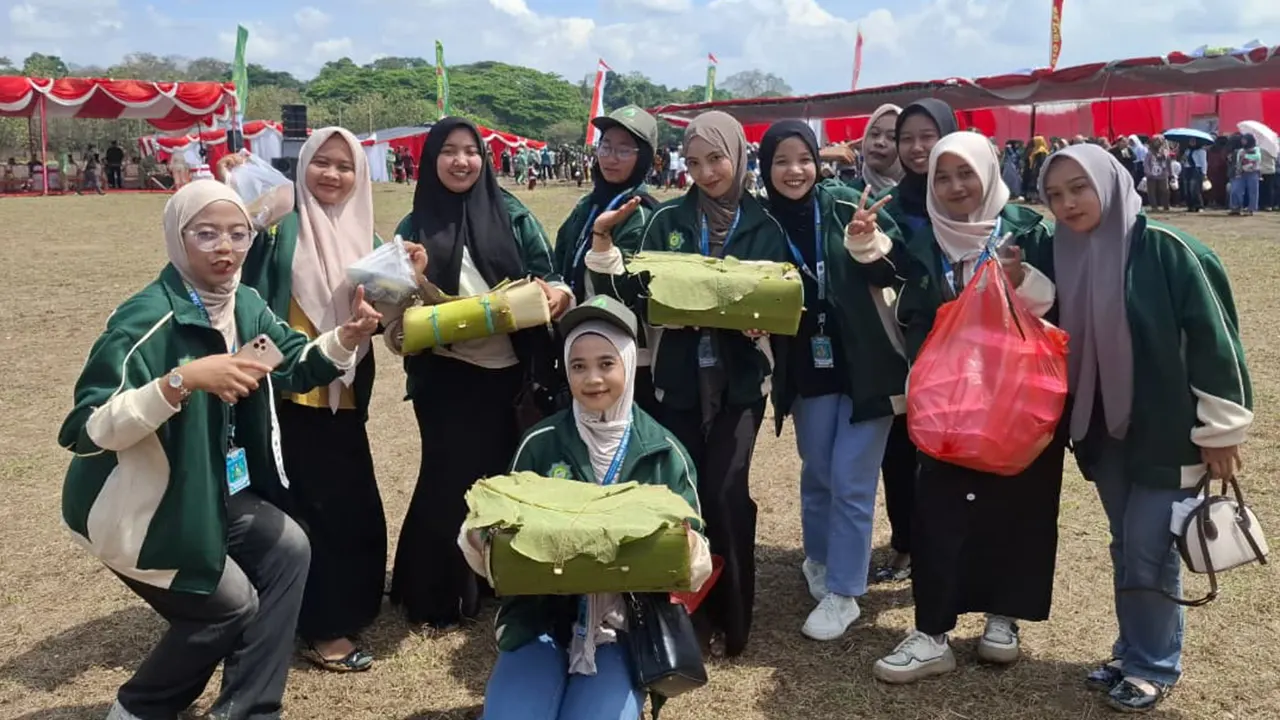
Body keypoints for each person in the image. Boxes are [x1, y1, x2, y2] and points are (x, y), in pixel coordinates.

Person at [60, 181, 380, 720]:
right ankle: (138, 709)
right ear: (175, 237)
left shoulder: (246, 305)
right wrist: (180, 382)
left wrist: (346, 337)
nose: (224, 248)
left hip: (208, 490)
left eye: (237, 234)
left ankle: (250, 709)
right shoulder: (145, 320)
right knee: (228, 606)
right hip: (139, 505)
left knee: (289, 547)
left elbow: (295, 363)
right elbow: (86, 429)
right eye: (205, 234)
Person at [1039, 144, 1252, 713]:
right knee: (1127, 544)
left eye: (1078, 187)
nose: (1067, 203)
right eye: (1055, 194)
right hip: (1102, 427)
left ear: (1109, 182)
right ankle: (1132, 650)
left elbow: (1215, 341)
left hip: (1166, 428)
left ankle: (1154, 664)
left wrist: (1222, 428)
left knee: (1148, 547)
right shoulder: (1067, 250)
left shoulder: (1168, 249)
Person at [585, 111, 789, 657]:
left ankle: (734, 617)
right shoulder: (667, 220)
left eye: (717, 159)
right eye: (694, 162)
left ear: (738, 157)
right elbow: (630, 292)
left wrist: (762, 319)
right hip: (675, 383)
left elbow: (788, 297)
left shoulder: (765, 226)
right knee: (680, 497)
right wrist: (604, 248)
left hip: (740, 384)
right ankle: (683, 620)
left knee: (724, 493)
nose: (706, 172)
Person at [869, 132, 1064, 684]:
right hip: (949, 401)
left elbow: (1064, 306)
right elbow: (899, 294)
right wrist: (867, 248)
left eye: (965, 174)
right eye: (942, 177)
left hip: (1018, 395)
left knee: (1017, 503)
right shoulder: (921, 236)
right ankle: (932, 631)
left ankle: (1003, 617)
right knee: (938, 507)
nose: (955, 187)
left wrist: (1025, 280)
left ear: (987, 173)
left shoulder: (1027, 230)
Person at [468, 296, 712, 720]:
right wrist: (478, 541)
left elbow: (697, 560)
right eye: (578, 366)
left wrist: (687, 548)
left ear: (629, 364)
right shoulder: (540, 443)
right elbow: (493, 534)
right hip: (539, 621)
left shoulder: (663, 451)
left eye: (606, 363)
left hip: (622, 628)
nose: (593, 379)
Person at [384, 117, 572, 629]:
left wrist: (556, 294)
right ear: (431, 159)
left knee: (500, 477)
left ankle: (493, 581)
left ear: (484, 159)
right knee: (447, 482)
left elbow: (550, 274)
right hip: (445, 378)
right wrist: (416, 277)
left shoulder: (512, 213)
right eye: (449, 151)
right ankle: (434, 593)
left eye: (471, 151)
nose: (462, 161)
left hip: (511, 376)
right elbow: (394, 311)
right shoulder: (412, 227)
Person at [238, 128, 398, 672]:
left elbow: (380, 318)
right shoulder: (279, 226)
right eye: (321, 163)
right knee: (311, 509)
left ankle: (350, 603)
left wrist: (406, 278)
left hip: (345, 391)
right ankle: (322, 626)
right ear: (301, 165)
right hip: (287, 393)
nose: (332, 175)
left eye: (344, 166)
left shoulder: (367, 235)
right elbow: (243, 295)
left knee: (352, 504)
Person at [758, 121, 908, 640]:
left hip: (869, 365)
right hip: (809, 366)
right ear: (766, 167)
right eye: (781, 161)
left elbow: (898, 271)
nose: (794, 170)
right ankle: (819, 558)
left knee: (852, 478)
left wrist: (870, 245)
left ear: (818, 161)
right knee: (818, 469)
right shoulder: (761, 223)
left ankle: (845, 591)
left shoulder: (848, 203)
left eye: (803, 158)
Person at [555, 105, 660, 413]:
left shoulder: (643, 214)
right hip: (582, 345)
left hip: (626, 356)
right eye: (606, 146)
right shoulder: (587, 206)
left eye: (625, 150)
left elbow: (624, 292)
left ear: (643, 157)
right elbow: (560, 257)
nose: (611, 157)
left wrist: (603, 237)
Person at [845, 104, 904, 196]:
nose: (879, 142)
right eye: (875, 134)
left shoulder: (921, 196)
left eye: (892, 137)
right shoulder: (846, 195)